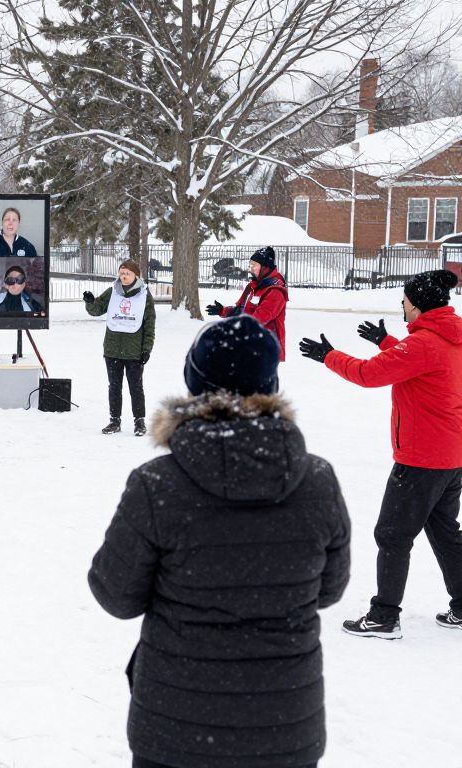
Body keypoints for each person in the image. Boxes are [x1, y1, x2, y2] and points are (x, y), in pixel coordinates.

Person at [90, 315, 350, 768]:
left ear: (194, 384)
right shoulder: (318, 480)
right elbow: (328, 590)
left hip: (176, 727)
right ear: (270, 385)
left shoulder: (157, 484)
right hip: (283, 723)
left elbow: (116, 594)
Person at [300, 269, 462, 639]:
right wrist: (387, 340)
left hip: (420, 458)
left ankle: (384, 616)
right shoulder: (450, 337)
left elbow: (368, 375)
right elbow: (418, 363)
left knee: (392, 534)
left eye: (404, 301)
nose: (402, 306)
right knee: (445, 533)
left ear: (417, 306)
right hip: (451, 457)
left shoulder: (422, 344)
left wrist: (329, 356)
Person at [83, 259, 156, 436]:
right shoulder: (112, 292)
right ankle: (114, 421)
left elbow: (149, 325)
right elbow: (96, 310)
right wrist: (90, 302)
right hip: (112, 349)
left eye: (127, 273)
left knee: (135, 387)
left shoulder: (145, 296)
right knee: (114, 386)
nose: (123, 276)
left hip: (134, 351)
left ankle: (139, 421)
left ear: (136, 276)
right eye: (121, 273)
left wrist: (146, 349)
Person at [205, 245, 289, 363]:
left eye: (254, 265)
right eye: (250, 264)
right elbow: (242, 310)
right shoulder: (254, 286)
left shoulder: (275, 291)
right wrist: (223, 311)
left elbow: (256, 320)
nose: (250, 268)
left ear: (265, 267)